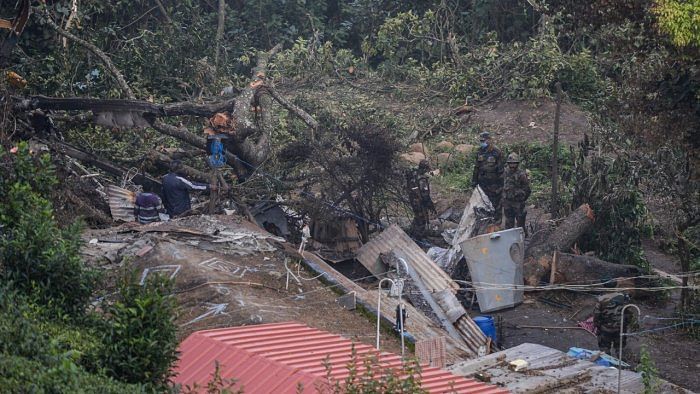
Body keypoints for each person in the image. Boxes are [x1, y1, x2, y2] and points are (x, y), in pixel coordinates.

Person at [471, 131, 504, 224]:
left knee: (496, 204)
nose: (482, 142)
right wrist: (474, 181)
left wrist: (501, 186)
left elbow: (501, 170)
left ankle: (497, 222)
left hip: (494, 184)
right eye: (481, 141)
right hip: (482, 184)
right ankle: (487, 222)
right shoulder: (479, 151)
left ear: (489, 140)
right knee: (484, 204)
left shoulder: (497, 152)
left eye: (484, 140)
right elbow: (476, 167)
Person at [405, 159, 436, 235]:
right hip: (419, 202)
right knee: (422, 221)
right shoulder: (422, 179)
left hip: (413, 200)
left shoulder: (413, 174)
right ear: (425, 168)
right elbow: (425, 195)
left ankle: (411, 234)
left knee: (417, 217)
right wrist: (430, 205)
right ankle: (417, 238)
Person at [503, 153, 531, 230]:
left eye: (514, 163)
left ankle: (523, 239)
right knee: (508, 224)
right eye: (510, 163)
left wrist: (521, 199)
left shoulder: (521, 175)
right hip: (507, 202)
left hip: (518, 203)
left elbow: (527, 190)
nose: (512, 166)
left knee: (520, 225)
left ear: (517, 164)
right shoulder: (505, 173)